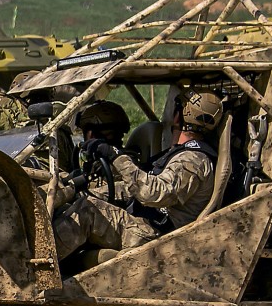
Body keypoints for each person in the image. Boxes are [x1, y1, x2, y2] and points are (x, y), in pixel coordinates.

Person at [55, 92, 223, 256]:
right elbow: (135, 187)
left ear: (179, 116)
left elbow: (154, 194)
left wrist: (115, 156)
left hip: (156, 235)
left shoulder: (193, 160)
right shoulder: (182, 154)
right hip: (147, 222)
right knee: (78, 201)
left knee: (87, 212)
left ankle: (43, 263)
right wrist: (86, 193)